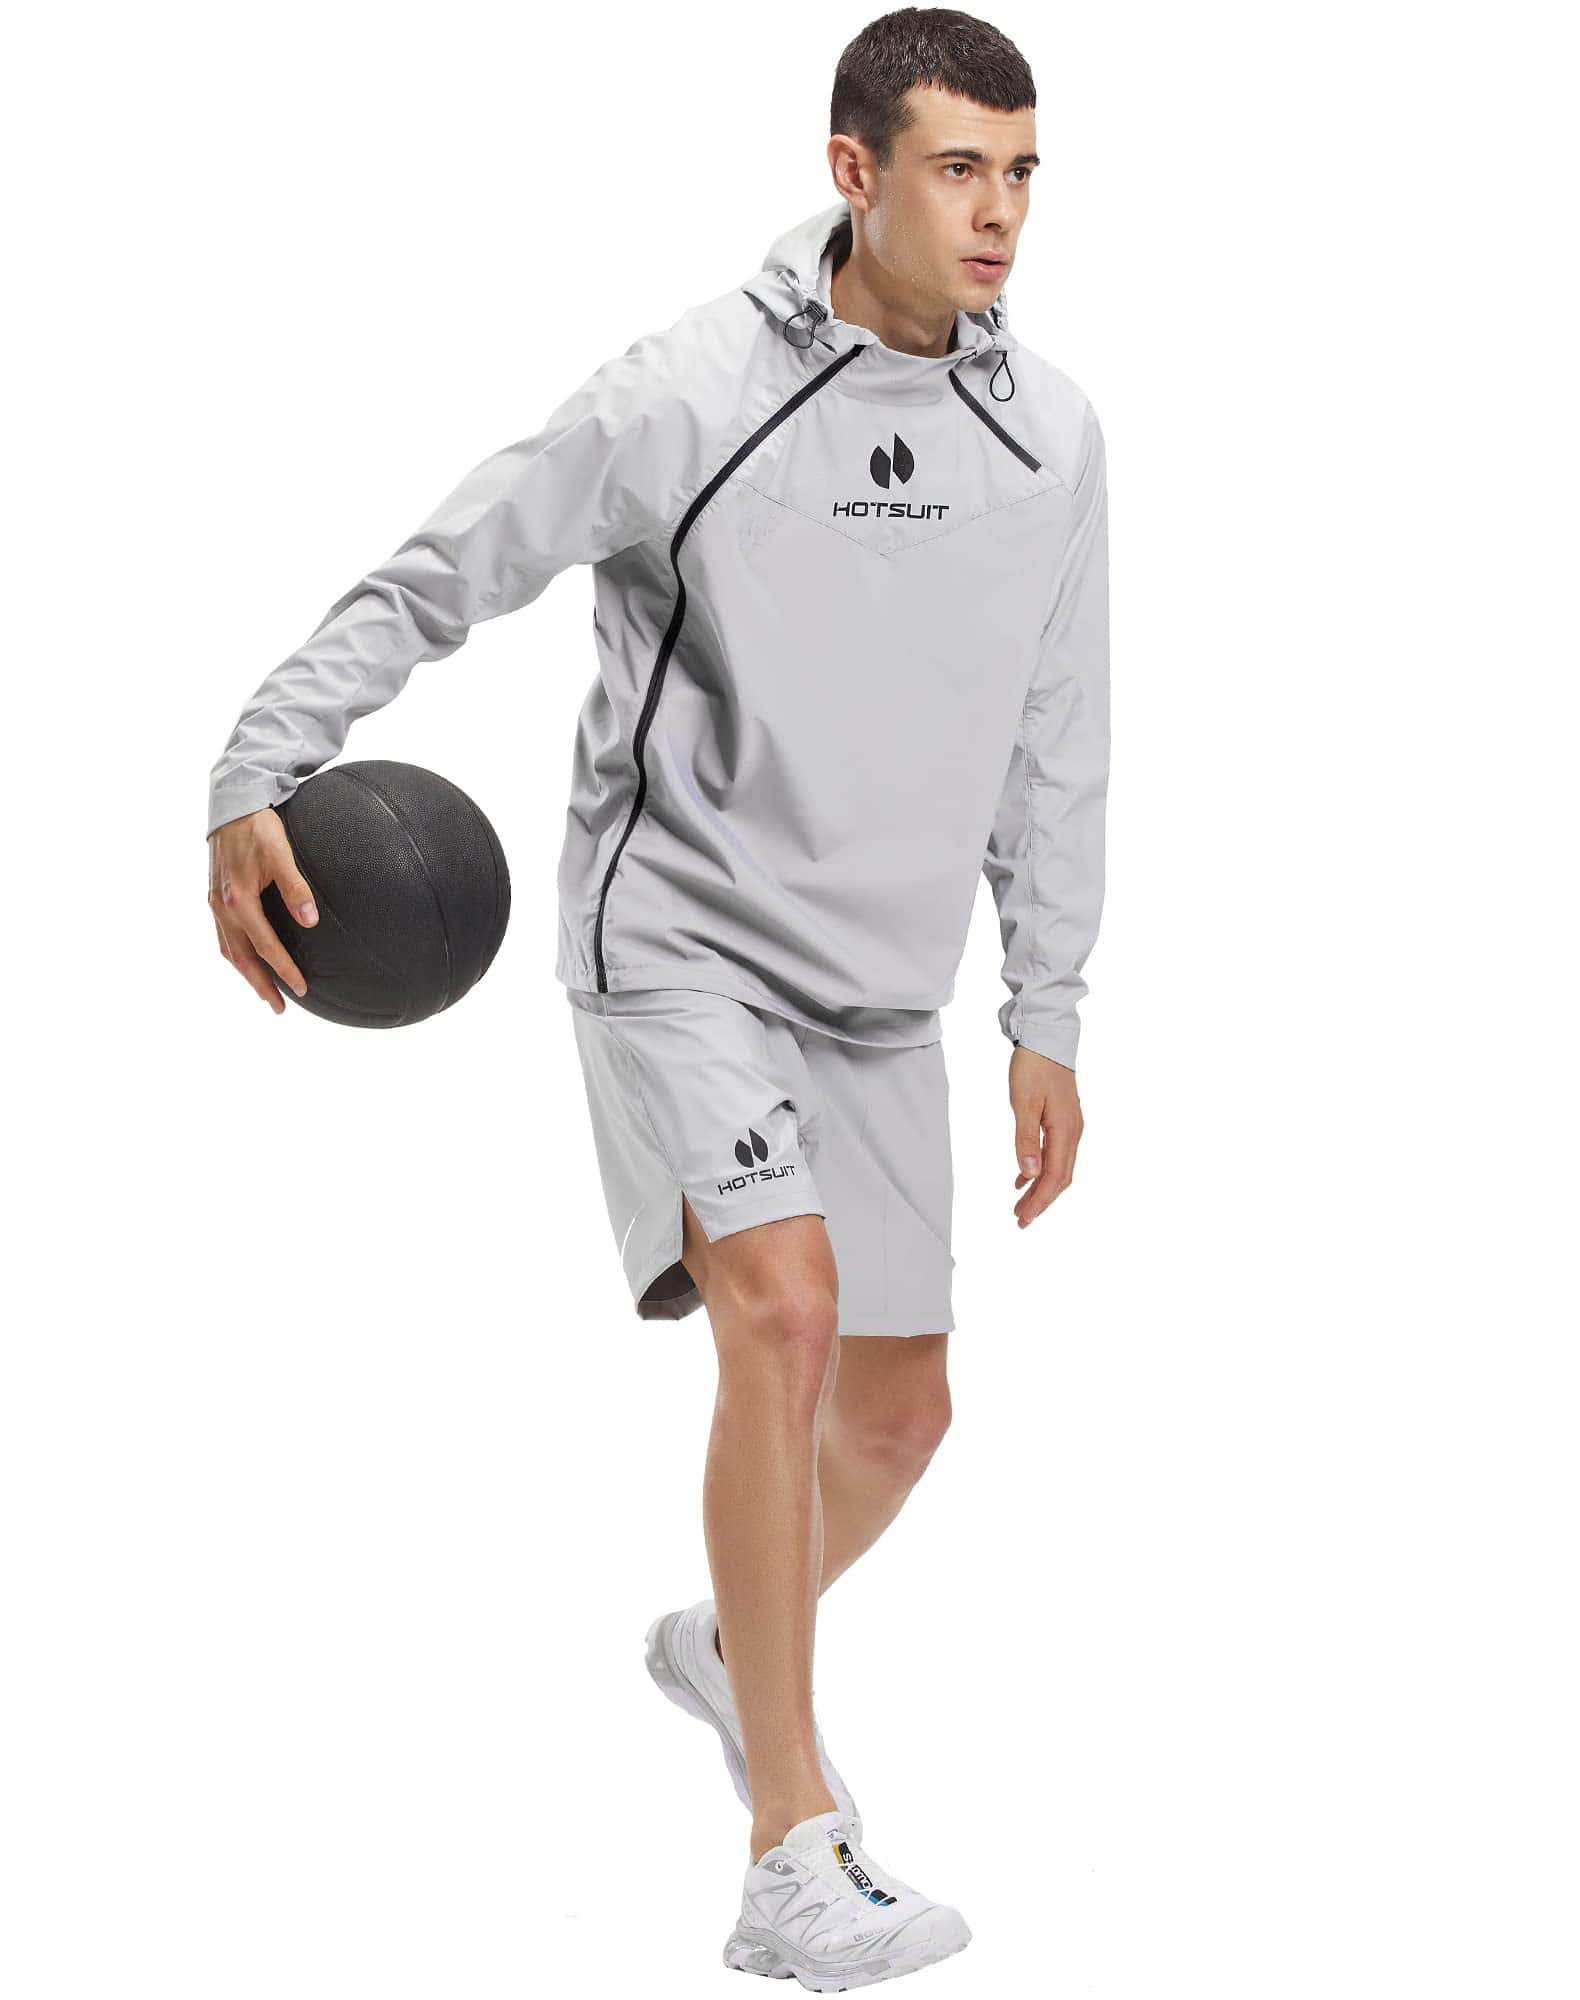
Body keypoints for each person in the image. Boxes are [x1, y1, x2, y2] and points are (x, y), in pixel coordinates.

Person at [205, 8, 1109, 1986]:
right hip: (682, 940)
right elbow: (452, 564)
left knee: (902, 1411)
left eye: (1024, 172)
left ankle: (725, 1642)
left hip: (883, 987)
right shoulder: (690, 392)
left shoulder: (1050, 436)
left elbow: (1059, 730)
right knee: (781, 1310)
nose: (1001, 212)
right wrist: (256, 761)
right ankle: (794, 1847)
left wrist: (1045, 1002)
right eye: (959, 168)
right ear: (853, 172)